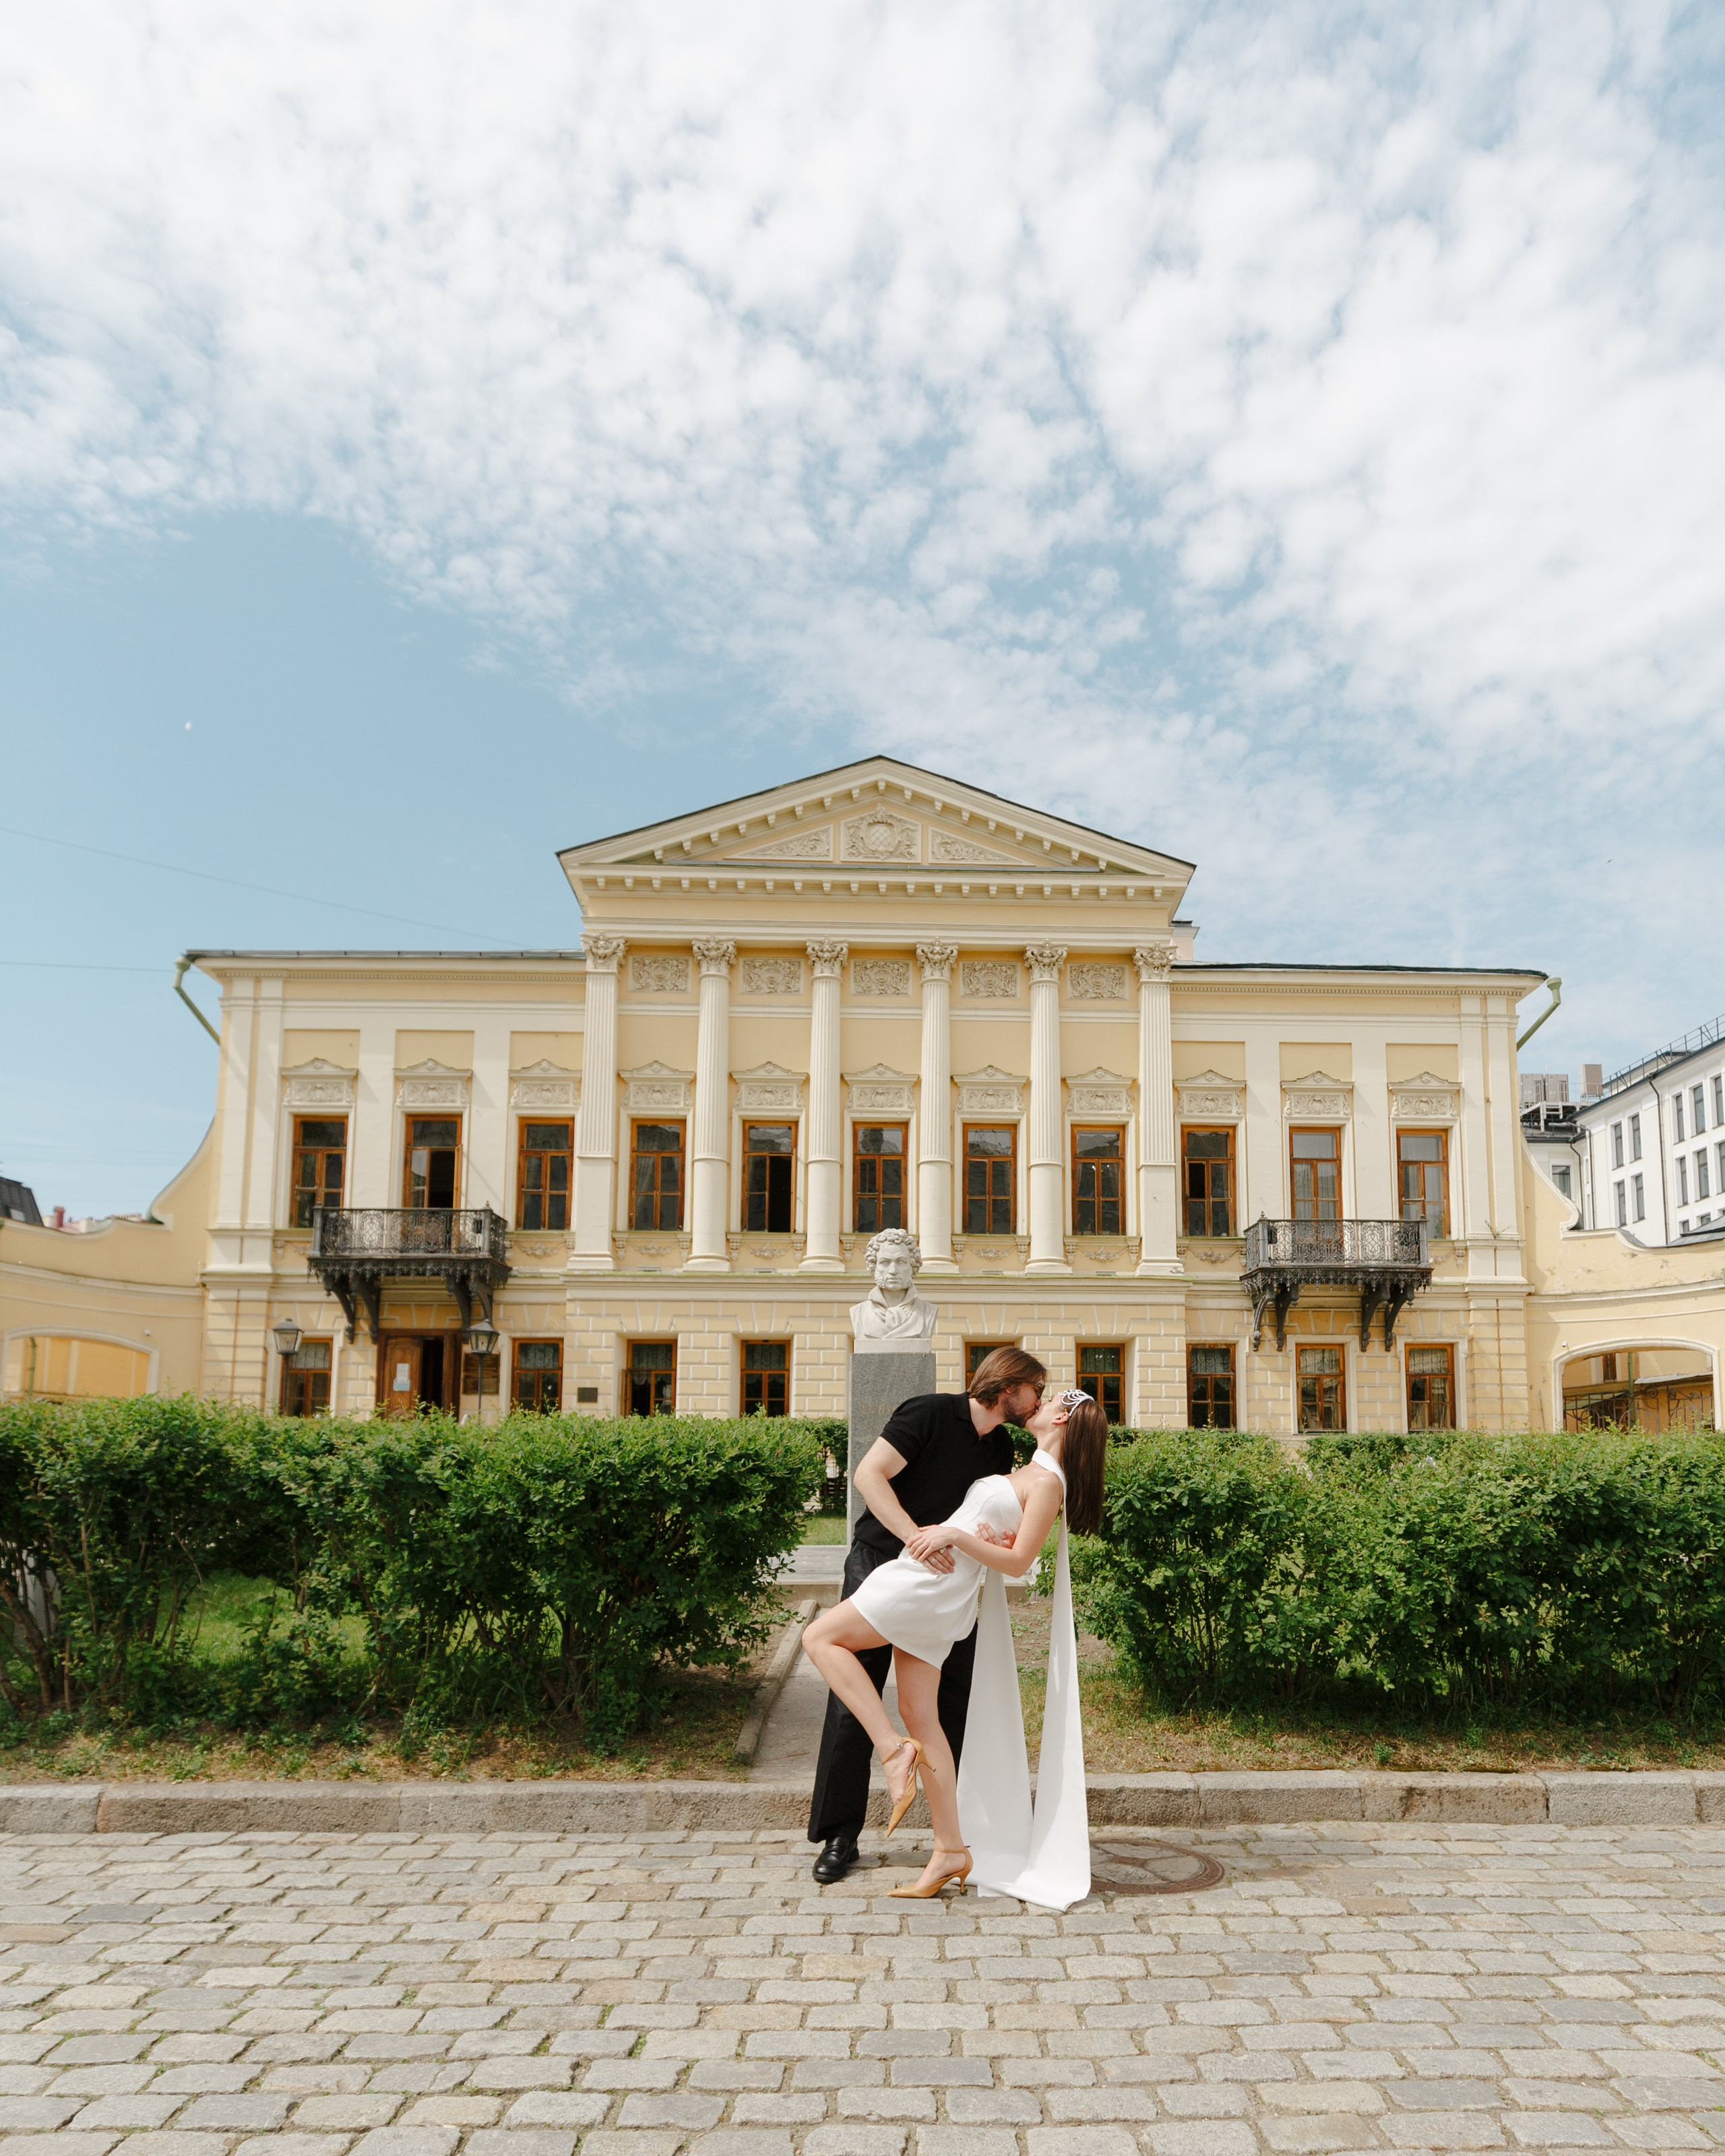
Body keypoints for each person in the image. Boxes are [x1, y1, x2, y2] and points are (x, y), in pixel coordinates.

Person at [803, 1385, 1106, 1901]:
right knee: (923, 1716)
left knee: (820, 1638)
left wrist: (954, 1536)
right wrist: (970, 1537)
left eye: (1052, 1400)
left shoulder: (1048, 1483)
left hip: (931, 1582)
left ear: (1061, 1422)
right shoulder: (1027, 1468)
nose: (1043, 1403)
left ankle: (891, 1750)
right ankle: (950, 1849)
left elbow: (1019, 1563)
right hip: (937, 1583)